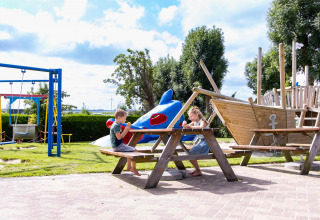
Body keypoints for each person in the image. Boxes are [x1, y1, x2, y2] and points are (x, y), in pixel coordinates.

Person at [110, 109, 140, 176]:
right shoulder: (116, 126)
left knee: (129, 151)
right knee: (135, 150)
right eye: (124, 118)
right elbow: (119, 137)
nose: (125, 120)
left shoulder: (114, 125)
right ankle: (133, 168)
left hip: (116, 146)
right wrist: (126, 130)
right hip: (118, 147)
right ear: (119, 117)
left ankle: (129, 167)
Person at [183, 106, 209, 177]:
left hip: (208, 142)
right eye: (189, 117)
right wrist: (185, 125)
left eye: (191, 116)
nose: (190, 118)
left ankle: (198, 171)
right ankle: (197, 169)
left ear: (197, 114)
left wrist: (190, 127)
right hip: (201, 141)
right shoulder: (194, 122)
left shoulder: (202, 121)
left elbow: (201, 128)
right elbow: (188, 125)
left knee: (190, 154)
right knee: (189, 154)